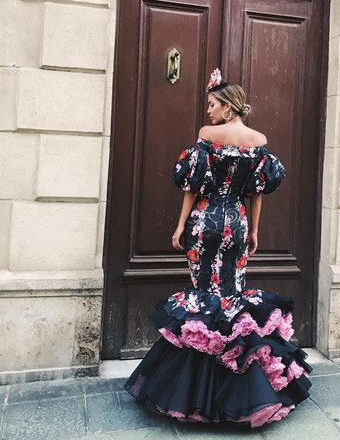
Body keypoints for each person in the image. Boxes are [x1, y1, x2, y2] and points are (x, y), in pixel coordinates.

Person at [124, 68, 312, 427]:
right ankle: (241, 390)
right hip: (237, 224)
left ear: (228, 107)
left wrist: (181, 225)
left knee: (203, 295)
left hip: (205, 222)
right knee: (232, 295)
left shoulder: (207, 135)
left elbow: (191, 186)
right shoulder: (258, 139)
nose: (207, 112)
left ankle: (194, 392)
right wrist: (253, 231)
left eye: (211, 104)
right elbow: (256, 191)